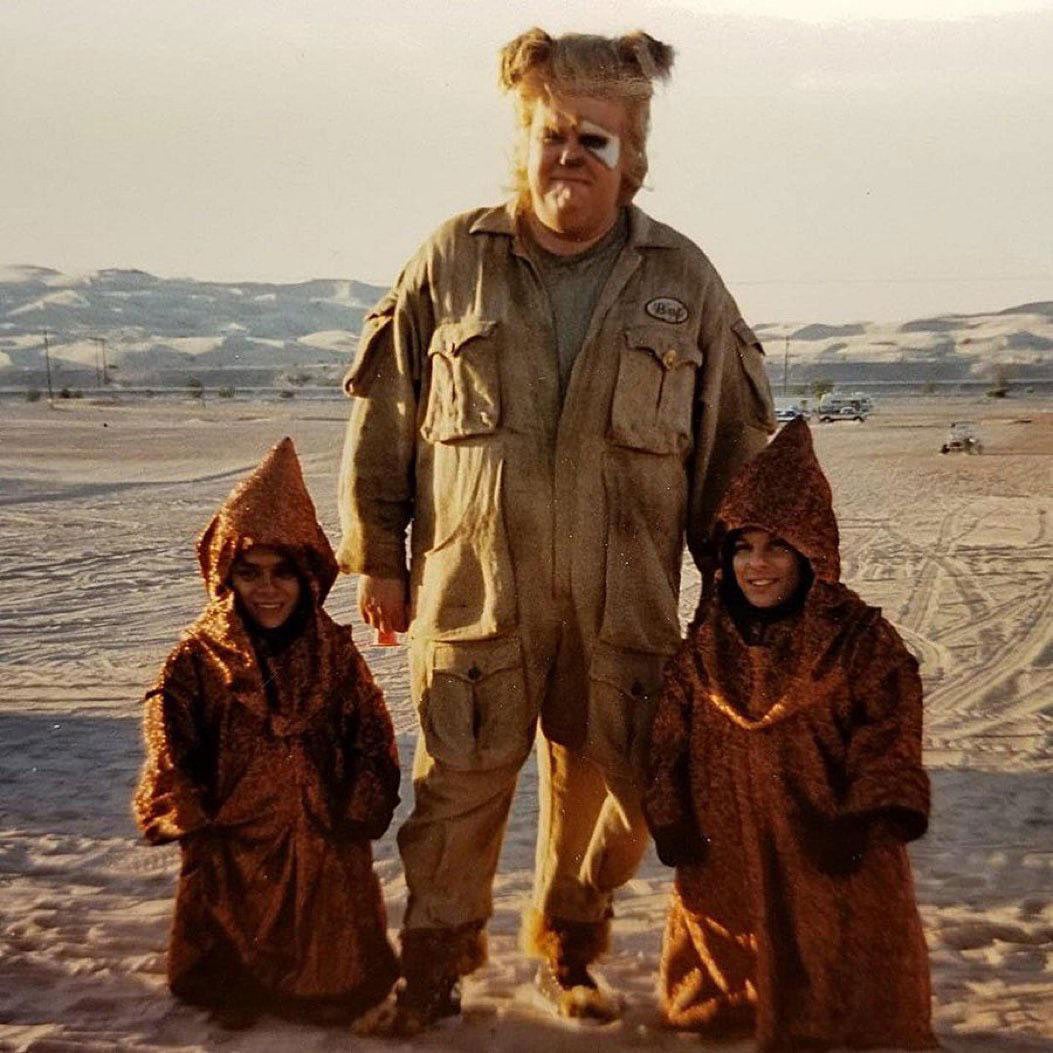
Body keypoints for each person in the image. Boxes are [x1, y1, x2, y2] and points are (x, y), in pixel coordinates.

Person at [337, 27, 775, 1030]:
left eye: (594, 139)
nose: (569, 155)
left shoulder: (683, 280)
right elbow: (385, 414)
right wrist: (380, 557)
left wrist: (740, 590)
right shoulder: (454, 259)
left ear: (632, 157)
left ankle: (568, 945)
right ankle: (432, 966)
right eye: (552, 135)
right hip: (475, 594)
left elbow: (734, 444)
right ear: (524, 143)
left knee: (616, 792)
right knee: (456, 790)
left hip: (623, 604)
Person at [645, 418, 936, 1051]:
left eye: (778, 547)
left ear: (812, 552)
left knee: (840, 985)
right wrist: (670, 815)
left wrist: (868, 818)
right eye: (743, 547)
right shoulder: (705, 647)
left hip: (830, 840)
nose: (757, 565)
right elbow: (670, 741)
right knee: (730, 966)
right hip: (728, 848)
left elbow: (889, 734)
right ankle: (729, 1006)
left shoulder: (858, 640)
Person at [134, 437, 400, 1030]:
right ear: (226, 574)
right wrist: (186, 806)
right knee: (229, 940)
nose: (268, 588)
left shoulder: (333, 652)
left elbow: (370, 731)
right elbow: (168, 734)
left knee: (334, 968)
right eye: (250, 573)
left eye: (283, 573)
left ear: (307, 575)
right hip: (232, 833)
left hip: (321, 830)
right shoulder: (198, 657)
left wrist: (363, 798)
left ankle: (325, 985)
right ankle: (235, 984)